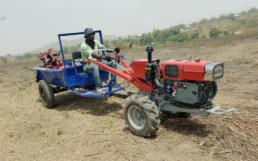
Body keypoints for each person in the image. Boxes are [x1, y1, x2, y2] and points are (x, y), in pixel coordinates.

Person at [80, 27, 116, 94]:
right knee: (95, 67)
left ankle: (113, 82)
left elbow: (103, 48)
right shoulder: (83, 46)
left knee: (112, 63)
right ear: (86, 36)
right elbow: (93, 54)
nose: (93, 35)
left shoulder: (96, 42)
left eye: (93, 34)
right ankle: (98, 87)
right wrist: (104, 57)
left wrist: (113, 50)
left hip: (98, 62)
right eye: (90, 34)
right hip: (89, 65)